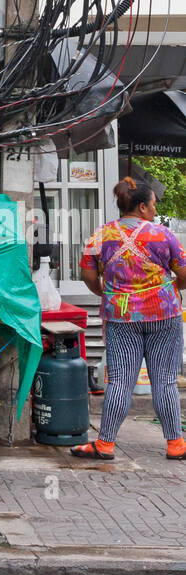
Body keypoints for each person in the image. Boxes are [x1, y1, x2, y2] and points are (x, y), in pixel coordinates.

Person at [71, 176, 186, 462]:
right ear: (143, 207)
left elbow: (87, 276)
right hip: (164, 314)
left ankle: (106, 445)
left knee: (120, 381)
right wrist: (170, 288)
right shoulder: (163, 235)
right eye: (153, 206)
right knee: (165, 381)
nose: (155, 211)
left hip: (120, 317)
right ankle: (176, 445)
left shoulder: (99, 236)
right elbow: (184, 273)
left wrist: (107, 292)